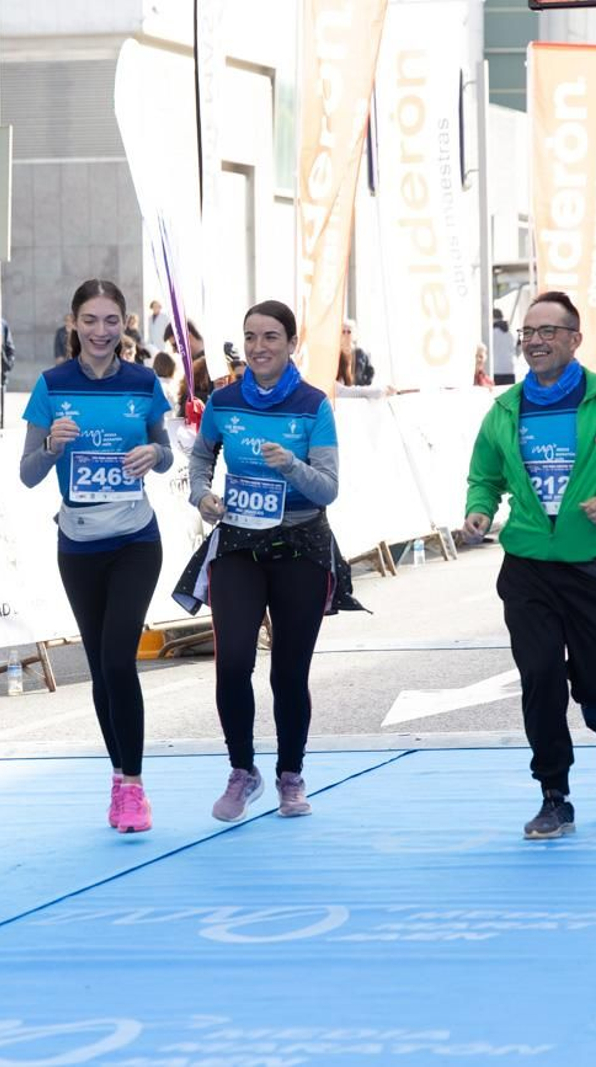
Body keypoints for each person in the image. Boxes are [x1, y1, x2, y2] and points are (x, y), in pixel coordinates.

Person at [462, 291, 596, 840]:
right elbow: (485, 475)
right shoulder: (505, 410)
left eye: (549, 331)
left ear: (575, 339)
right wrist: (479, 511)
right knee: (540, 678)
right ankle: (554, 795)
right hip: (527, 564)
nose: (536, 341)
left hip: (592, 564)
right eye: (529, 332)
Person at [174, 299, 358, 823]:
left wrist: (293, 467)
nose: (259, 347)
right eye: (251, 337)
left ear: (292, 344)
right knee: (232, 663)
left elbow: (328, 488)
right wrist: (201, 494)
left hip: (301, 545)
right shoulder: (225, 400)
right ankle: (242, 771)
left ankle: (290, 776)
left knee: (289, 673)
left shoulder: (312, 405)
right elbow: (201, 456)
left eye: (271, 337)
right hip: (238, 544)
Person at [20, 279, 173, 834]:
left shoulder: (142, 381)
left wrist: (153, 452)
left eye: (111, 321)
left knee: (117, 660)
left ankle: (133, 787)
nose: (101, 332)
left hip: (136, 539)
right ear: (73, 323)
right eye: (90, 320)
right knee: (100, 670)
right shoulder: (52, 386)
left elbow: (165, 453)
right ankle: (118, 777)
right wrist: (51, 447)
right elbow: (28, 473)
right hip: (78, 543)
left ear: (125, 324)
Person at [340, 320, 374, 387]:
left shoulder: (361, 353)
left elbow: (370, 371)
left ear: (354, 333)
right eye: (343, 332)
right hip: (342, 392)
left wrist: (366, 384)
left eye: (349, 332)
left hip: (358, 390)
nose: (346, 334)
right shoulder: (336, 353)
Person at [490, 308, 517, 385]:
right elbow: (516, 351)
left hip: (495, 371)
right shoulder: (510, 333)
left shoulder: (491, 334)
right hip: (510, 370)